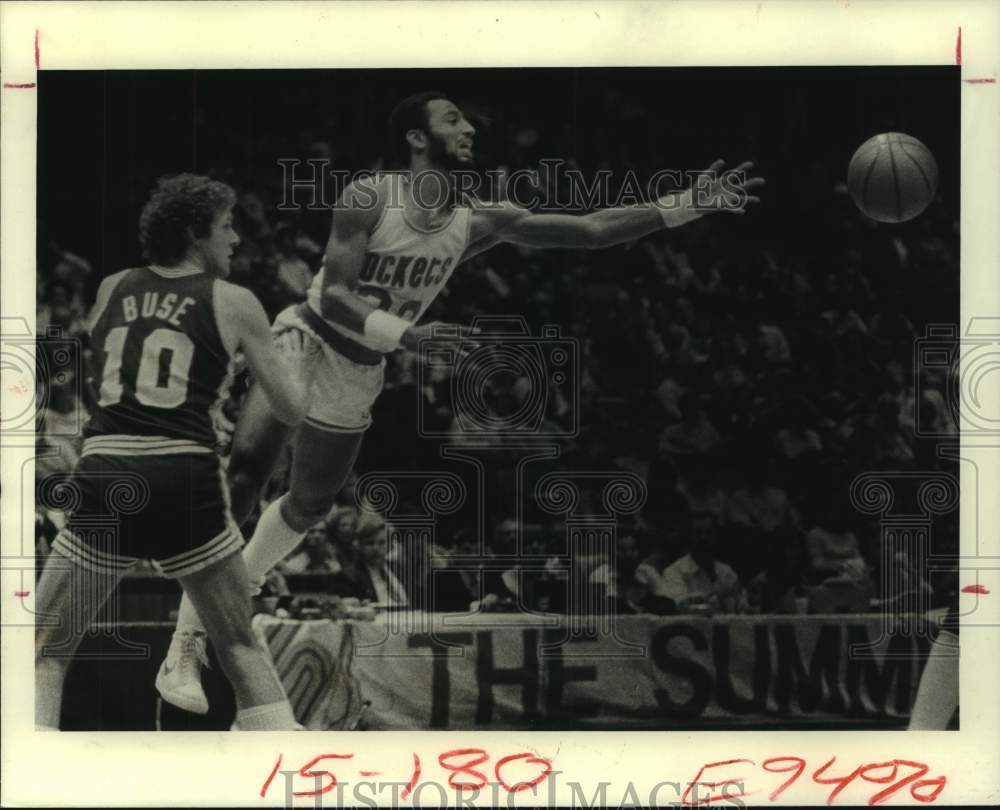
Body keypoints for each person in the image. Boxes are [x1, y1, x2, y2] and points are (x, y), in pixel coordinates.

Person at [158, 90, 764, 712]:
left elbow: (589, 230)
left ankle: (245, 578)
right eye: (452, 118)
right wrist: (410, 335)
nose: (468, 127)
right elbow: (336, 295)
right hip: (307, 337)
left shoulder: (475, 219)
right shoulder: (370, 197)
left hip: (362, 367)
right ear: (416, 138)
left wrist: (686, 206)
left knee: (309, 505)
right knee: (249, 469)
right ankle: (185, 641)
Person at [35, 174, 318, 730]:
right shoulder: (236, 301)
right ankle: (284, 754)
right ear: (195, 231)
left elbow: (123, 376)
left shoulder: (112, 286)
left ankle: (34, 772)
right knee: (239, 647)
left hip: (110, 470)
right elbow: (289, 409)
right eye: (226, 226)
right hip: (183, 478)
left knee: (45, 652)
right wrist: (298, 363)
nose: (236, 238)